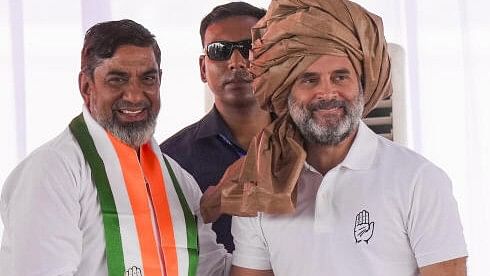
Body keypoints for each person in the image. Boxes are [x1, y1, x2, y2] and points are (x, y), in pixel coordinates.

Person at [209, 0, 468, 275]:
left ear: (362, 84)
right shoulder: (261, 187)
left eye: (340, 77)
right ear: (286, 91)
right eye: (309, 79)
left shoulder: (418, 181)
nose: (327, 93)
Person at [0, 19, 230, 275]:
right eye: (117, 80)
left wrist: (258, 219)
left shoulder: (178, 180)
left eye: (148, 79)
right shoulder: (52, 171)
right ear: (86, 87)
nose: (134, 95)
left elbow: (213, 271)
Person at [160, 2, 267, 253]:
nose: (237, 62)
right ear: (202, 68)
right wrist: (205, 210)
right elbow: (156, 249)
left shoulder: (312, 143)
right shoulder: (171, 161)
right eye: (220, 50)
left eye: (250, 48)